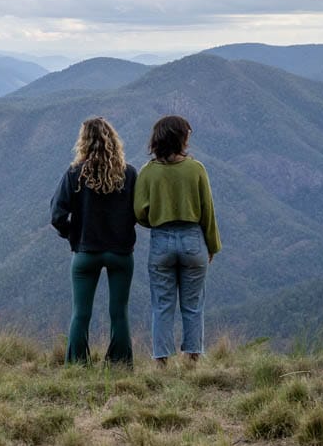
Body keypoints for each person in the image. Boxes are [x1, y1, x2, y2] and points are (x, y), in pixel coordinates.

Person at [133, 115, 220, 364]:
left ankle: (161, 361)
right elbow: (208, 211)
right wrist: (212, 245)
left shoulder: (148, 171)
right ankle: (193, 358)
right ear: (181, 138)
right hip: (193, 239)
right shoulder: (196, 169)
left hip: (161, 240)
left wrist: (158, 220)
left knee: (162, 305)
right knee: (192, 305)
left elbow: (139, 211)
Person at [50, 117, 138, 365]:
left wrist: (73, 234)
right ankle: (120, 364)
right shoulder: (129, 174)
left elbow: (57, 215)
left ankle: (77, 364)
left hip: (86, 252)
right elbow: (140, 211)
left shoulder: (74, 174)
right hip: (120, 252)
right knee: (119, 313)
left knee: (81, 313)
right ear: (113, 141)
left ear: (84, 142)